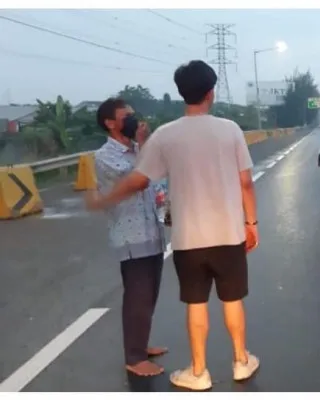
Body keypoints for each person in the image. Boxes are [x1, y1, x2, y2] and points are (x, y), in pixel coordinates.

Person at [85, 60, 260, 390]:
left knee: (196, 304)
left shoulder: (165, 135)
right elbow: (246, 183)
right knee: (232, 300)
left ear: (182, 93)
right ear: (211, 92)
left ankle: (198, 372)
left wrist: (104, 200)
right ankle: (240, 361)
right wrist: (252, 222)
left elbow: (137, 180)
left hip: (187, 239)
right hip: (228, 233)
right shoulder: (231, 129)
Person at [93, 98, 168, 376]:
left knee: (149, 295)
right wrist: (143, 146)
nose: (133, 120)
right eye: (126, 117)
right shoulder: (105, 156)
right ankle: (135, 358)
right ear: (110, 123)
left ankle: (141, 344)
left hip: (152, 233)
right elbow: (140, 178)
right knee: (137, 296)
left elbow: (157, 179)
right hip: (130, 236)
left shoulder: (137, 150)